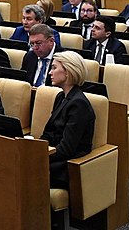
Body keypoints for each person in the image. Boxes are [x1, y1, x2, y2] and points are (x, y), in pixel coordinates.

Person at [42, 51, 96, 189]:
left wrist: (40, 156)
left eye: (54, 68)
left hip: (66, 165)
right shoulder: (61, 97)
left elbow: (67, 148)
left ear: (68, 72)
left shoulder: (79, 104)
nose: (50, 72)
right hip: (53, 155)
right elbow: (49, 132)